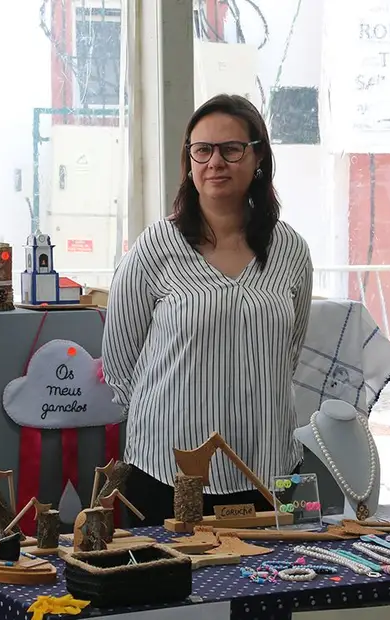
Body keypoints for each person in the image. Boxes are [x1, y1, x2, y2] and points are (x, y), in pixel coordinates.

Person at [101, 94, 313, 523]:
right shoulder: (155, 247)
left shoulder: (291, 249)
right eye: (202, 150)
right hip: (165, 471)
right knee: (167, 587)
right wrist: (168, 421)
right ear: (190, 161)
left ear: (258, 158)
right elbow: (120, 360)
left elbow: (289, 352)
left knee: (281, 584)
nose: (215, 162)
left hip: (271, 468)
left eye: (231, 149)